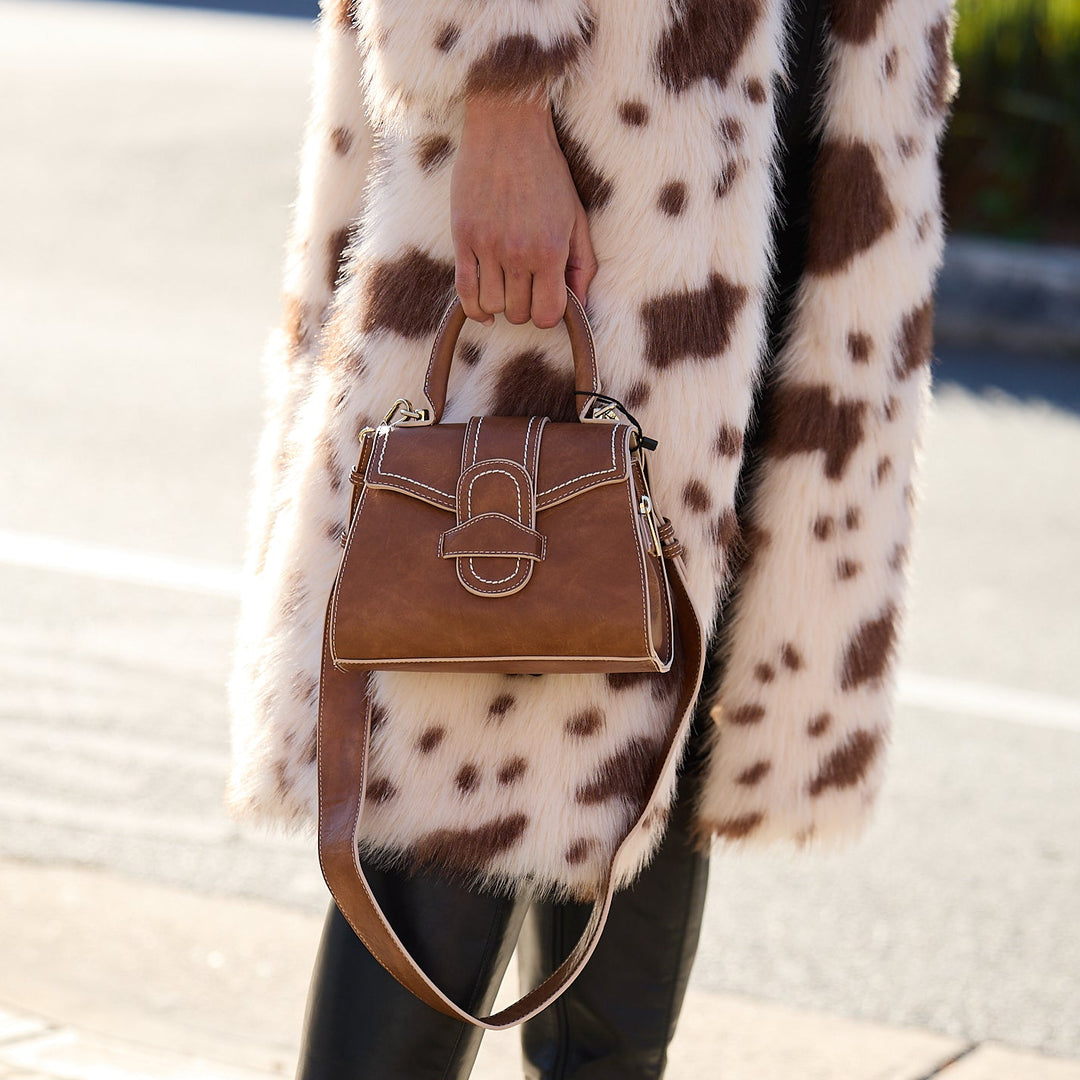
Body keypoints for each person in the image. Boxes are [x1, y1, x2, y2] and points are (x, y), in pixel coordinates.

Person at [225, 0, 958, 1076]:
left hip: (800, 103)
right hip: (600, 119)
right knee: (465, 732)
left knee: (661, 728)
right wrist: (500, 98)